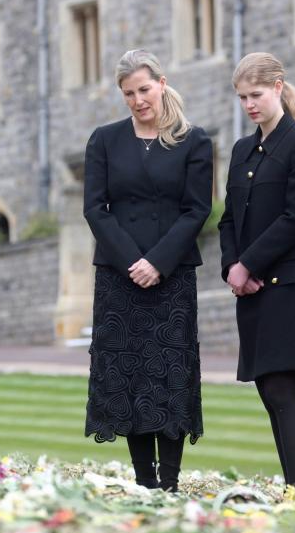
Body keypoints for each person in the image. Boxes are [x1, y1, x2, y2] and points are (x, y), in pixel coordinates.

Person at [83, 49, 213, 492]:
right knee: (130, 375)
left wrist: (157, 261)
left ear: (161, 82)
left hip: (172, 277)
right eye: (128, 94)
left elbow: (196, 209)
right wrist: (131, 262)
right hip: (118, 279)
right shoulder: (103, 139)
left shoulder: (194, 141)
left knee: (169, 373)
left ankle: (171, 483)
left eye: (143, 89)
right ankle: (143, 482)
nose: (138, 100)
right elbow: (95, 210)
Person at [218, 52, 295, 495]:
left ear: (278, 88)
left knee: (283, 391)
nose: (249, 105)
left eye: (256, 95)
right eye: (242, 98)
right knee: (268, 391)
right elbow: (228, 220)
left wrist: (248, 265)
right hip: (253, 290)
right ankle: (293, 490)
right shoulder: (243, 149)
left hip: (290, 285)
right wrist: (231, 268)